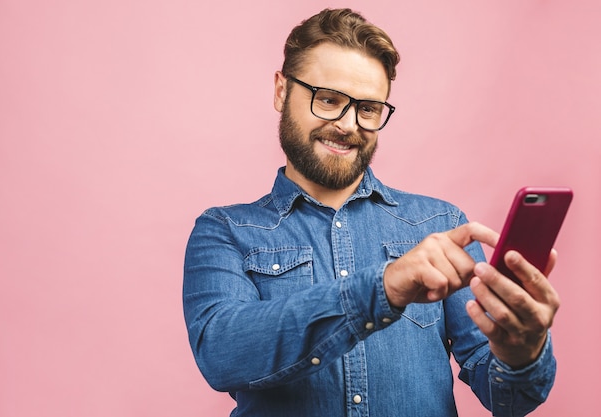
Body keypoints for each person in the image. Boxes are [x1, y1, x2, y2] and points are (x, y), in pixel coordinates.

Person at [183, 8, 559, 417]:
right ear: (280, 91)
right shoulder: (224, 231)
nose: (348, 124)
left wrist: (521, 353)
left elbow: (509, 398)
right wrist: (384, 288)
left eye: (368, 109)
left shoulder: (441, 225)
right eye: (328, 99)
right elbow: (222, 354)